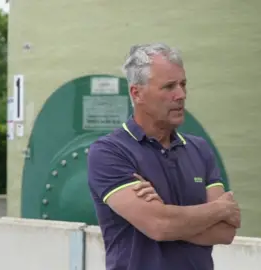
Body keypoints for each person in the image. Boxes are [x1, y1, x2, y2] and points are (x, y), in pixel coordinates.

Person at [87, 43, 241, 270]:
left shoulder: (199, 149)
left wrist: (166, 218)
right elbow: (159, 225)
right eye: (169, 87)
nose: (181, 95)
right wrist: (218, 210)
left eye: (183, 84)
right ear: (137, 93)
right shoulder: (109, 152)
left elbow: (225, 231)